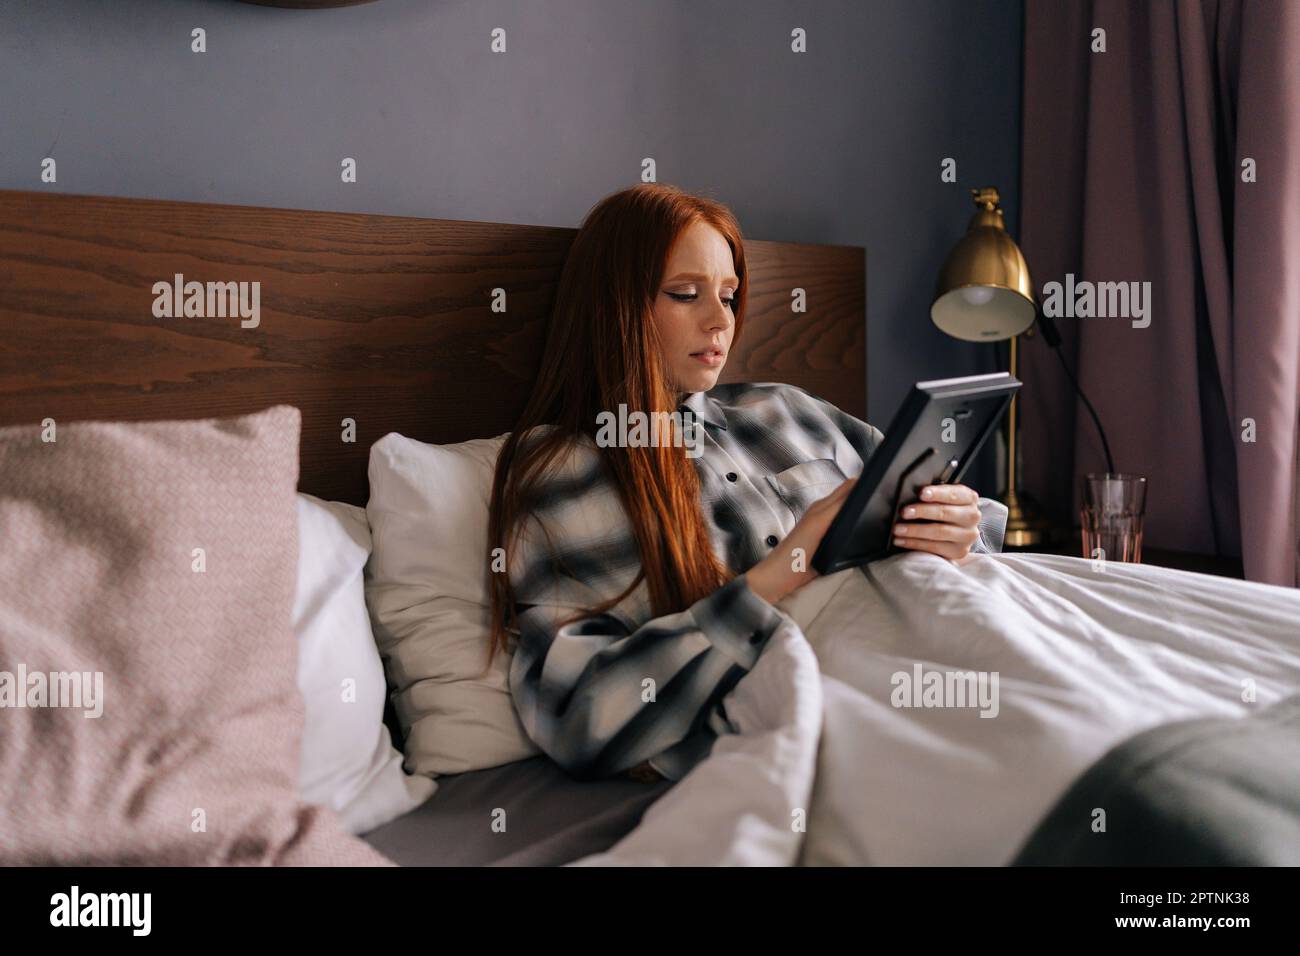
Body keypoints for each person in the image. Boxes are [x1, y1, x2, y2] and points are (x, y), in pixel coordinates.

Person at [486, 183, 1007, 783]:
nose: (720, 321)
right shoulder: (567, 470)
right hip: (846, 706)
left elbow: (978, 522)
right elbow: (580, 715)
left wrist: (960, 522)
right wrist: (788, 566)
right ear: (616, 308)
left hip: (957, 635)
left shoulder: (788, 408)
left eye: (730, 296)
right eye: (685, 294)